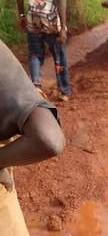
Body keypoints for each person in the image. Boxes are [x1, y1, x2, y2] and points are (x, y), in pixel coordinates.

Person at [0, 38, 65, 236]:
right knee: (58, 55)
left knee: (35, 53)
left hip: (36, 25)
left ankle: (36, 80)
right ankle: (63, 89)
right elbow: (48, 139)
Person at [15, 0, 72, 102]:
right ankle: (64, 91)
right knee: (59, 54)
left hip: (33, 16)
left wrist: (22, 15)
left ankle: (36, 86)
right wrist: (63, 26)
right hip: (51, 18)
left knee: (34, 54)